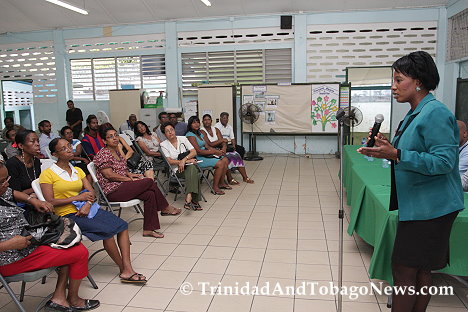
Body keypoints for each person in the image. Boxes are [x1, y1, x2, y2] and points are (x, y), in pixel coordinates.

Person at [357, 51, 464, 312]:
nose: (393, 87)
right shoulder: (417, 112)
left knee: (404, 271)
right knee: (419, 270)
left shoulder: (435, 113)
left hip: (431, 207)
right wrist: (389, 148)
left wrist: (397, 154)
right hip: (421, 204)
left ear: (419, 81)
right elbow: (415, 151)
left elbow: (443, 162)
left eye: (398, 79)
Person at [40, 138, 147, 284]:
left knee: (122, 226)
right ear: (55, 154)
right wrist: (78, 197)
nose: (69, 149)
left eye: (69, 146)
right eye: (63, 148)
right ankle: (125, 269)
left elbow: (91, 193)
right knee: (108, 232)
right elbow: (50, 202)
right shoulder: (48, 174)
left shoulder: (77, 170)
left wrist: (88, 204)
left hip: (87, 209)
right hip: (67, 215)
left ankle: (127, 268)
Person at [0, 162, 100, 312]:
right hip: (11, 259)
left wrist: (33, 200)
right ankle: (73, 300)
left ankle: (59, 298)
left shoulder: (2, 191)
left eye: (6, 179)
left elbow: (13, 192)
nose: (6, 185)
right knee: (79, 252)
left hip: (27, 244)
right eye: (1, 182)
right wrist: (8, 244)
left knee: (68, 243)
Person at [94, 126, 181, 239]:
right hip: (112, 191)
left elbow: (122, 169)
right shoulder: (103, 154)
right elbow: (109, 175)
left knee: (149, 194)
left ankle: (148, 229)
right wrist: (130, 180)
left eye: (116, 135)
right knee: (148, 182)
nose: (115, 138)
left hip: (122, 186)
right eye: (110, 137)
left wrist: (130, 175)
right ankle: (165, 207)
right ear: (104, 141)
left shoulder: (116, 151)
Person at [201, 114, 254, 185]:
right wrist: (223, 140)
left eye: (208, 120)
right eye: (205, 120)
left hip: (220, 149)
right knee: (227, 158)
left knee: (236, 155)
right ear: (202, 121)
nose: (207, 121)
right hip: (211, 151)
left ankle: (245, 177)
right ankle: (230, 178)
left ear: (211, 121)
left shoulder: (215, 129)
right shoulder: (202, 131)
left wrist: (224, 148)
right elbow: (210, 144)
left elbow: (223, 142)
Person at [160, 123, 202, 210]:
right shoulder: (163, 144)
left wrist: (184, 160)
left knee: (192, 168)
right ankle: (194, 200)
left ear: (174, 130)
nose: (170, 132)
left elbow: (194, 152)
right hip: (177, 170)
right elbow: (170, 161)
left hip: (188, 166)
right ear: (164, 134)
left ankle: (189, 197)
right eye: (167, 131)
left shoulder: (183, 139)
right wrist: (184, 161)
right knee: (194, 171)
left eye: (171, 129)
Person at [186, 116, 230, 195]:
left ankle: (221, 183)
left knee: (225, 159)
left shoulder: (200, 134)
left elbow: (207, 146)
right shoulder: (190, 135)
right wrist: (212, 152)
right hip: (198, 158)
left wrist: (217, 151)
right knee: (220, 163)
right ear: (190, 124)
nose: (196, 124)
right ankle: (215, 187)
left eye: (197, 122)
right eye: (194, 122)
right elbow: (198, 151)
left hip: (206, 154)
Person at [6, 130, 41, 197]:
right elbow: (14, 192)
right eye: (32, 141)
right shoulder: (12, 164)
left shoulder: (36, 161)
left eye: (38, 141)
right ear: (21, 146)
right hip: (20, 201)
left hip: (36, 196)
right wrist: (37, 188)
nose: (37, 144)